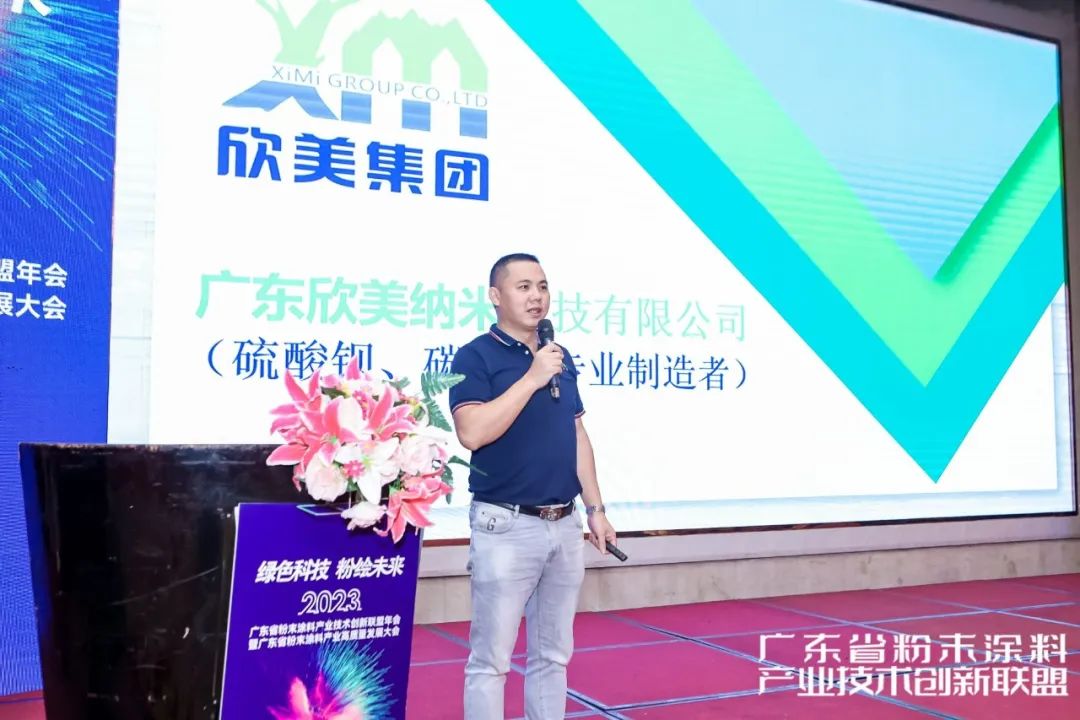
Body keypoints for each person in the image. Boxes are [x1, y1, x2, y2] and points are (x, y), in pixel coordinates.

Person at [448, 253, 618, 720]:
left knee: (553, 656)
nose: (536, 296)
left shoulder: (558, 356)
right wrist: (531, 378)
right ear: (495, 296)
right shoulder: (474, 356)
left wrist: (596, 510)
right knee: (491, 661)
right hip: (506, 524)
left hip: (564, 524)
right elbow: (472, 432)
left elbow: (576, 433)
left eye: (542, 286)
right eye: (523, 286)